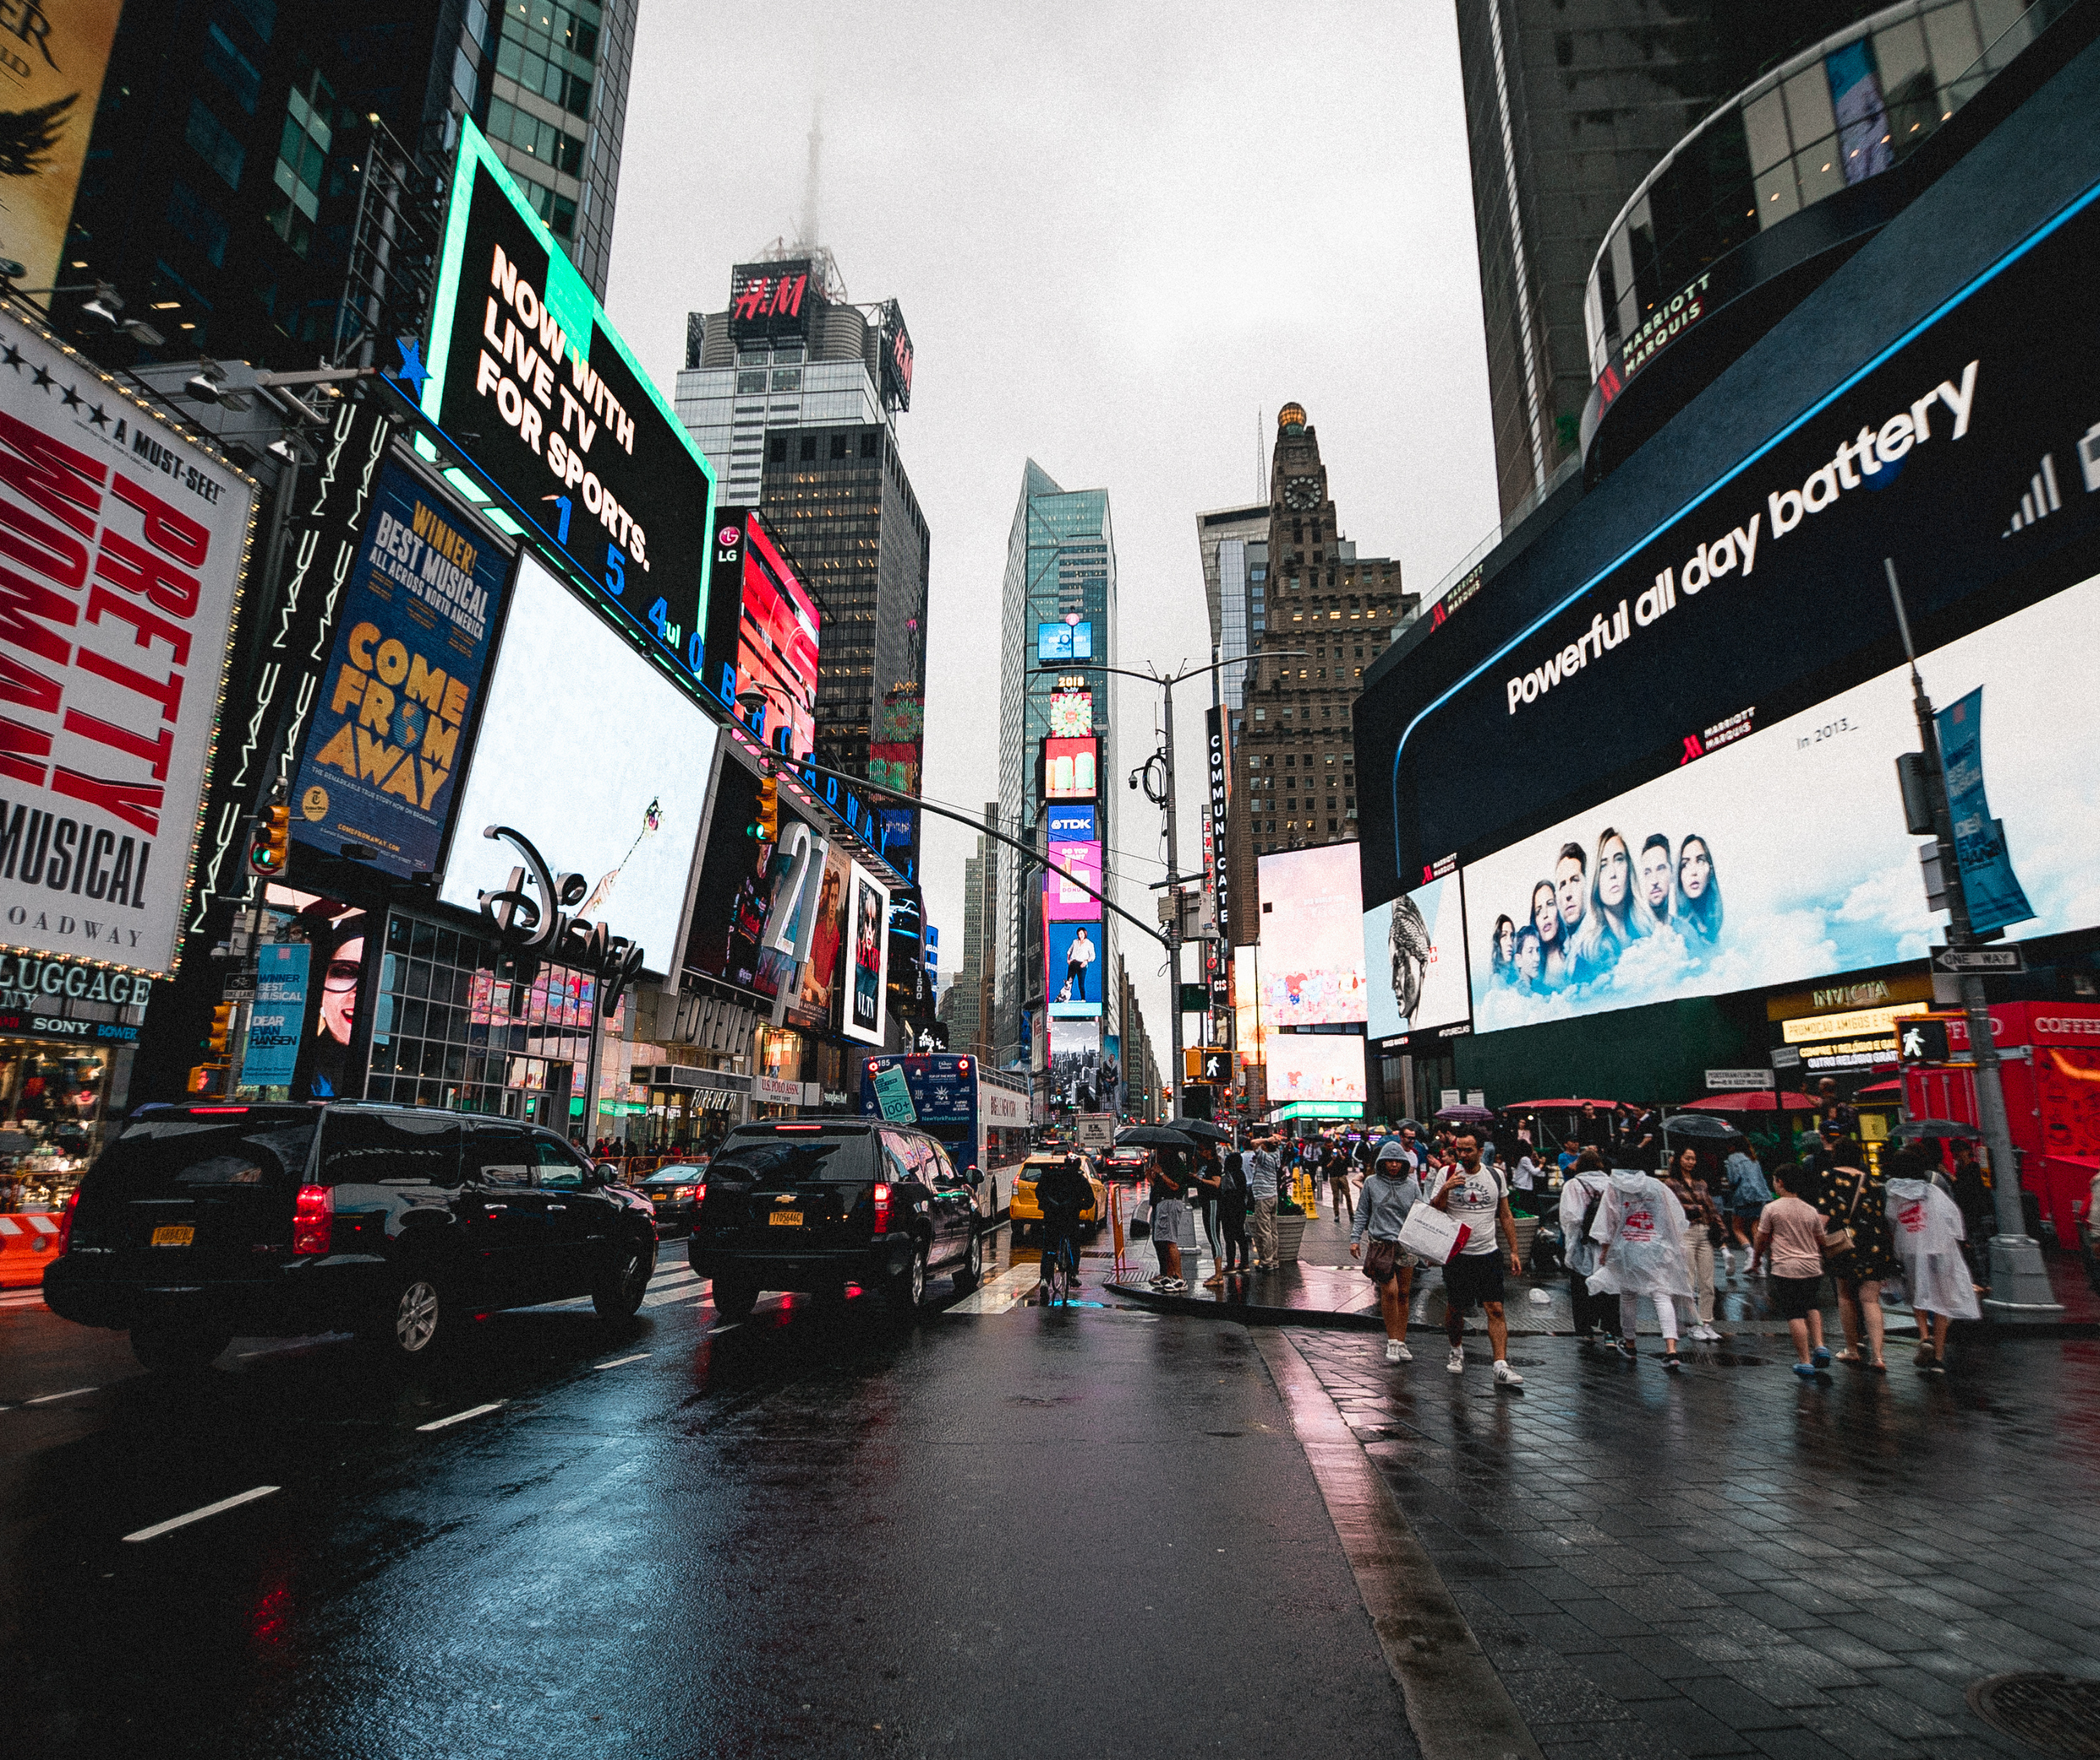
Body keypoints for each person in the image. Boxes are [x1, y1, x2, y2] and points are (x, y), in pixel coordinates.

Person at [1427, 1129, 1525, 1387]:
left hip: (1488, 1253)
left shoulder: (1495, 1175)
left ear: (1481, 1151)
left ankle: (1500, 1364)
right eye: (1460, 1149)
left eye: (1469, 1150)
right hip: (1458, 1255)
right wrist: (1446, 1189)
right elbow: (1434, 1210)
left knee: (1495, 1308)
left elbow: (1505, 1215)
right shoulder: (1446, 1173)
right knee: (1456, 1308)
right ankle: (1456, 1348)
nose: (1463, 1155)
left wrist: (1514, 1250)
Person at [1586, 1155, 1695, 1370]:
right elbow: (1671, 1217)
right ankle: (1671, 1349)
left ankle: (1630, 1344)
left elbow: (1609, 1221)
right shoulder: (1656, 1186)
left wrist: (1605, 1250)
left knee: (1628, 1295)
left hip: (1627, 1248)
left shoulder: (1614, 1187)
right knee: (1662, 1295)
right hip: (1656, 1247)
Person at [1886, 1142, 1981, 1372]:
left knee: (1918, 1294)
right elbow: (1953, 1217)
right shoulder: (1935, 1190)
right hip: (1940, 1248)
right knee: (1941, 1300)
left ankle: (1924, 1335)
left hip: (1909, 1249)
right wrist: (1960, 1240)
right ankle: (1938, 1357)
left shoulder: (1894, 1194)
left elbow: (1891, 1220)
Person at [1816, 1137, 1893, 1372]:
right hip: (1873, 1242)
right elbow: (1881, 1214)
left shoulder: (1829, 1177)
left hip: (1845, 1244)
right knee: (1870, 1299)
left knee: (1846, 1295)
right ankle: (1878, 1356)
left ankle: (1852, 1349)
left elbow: (1824, 1216)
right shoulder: (1870, 1180)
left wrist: (1818, 1242)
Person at [1752, 1163, 1833, 1380]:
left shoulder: (1772, 1209)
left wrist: (1756, 1259)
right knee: (1812, 1306)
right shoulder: (1810, 1210)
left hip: (1786, 1267)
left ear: (1780, 1182)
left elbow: (1762, 1238)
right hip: (1812, 1267)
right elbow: (1822, 1240)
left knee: (1795, 1313)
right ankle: (1820, 1346)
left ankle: (1805, 1361)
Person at [1351, 1139, 1424, 1363]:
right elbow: (1362, 1212)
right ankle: (1392, 1341)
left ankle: (1401, 1341)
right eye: (1389, 1161)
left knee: (1404, 1294)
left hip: (1406, 1245)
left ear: (1404, 1163)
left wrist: (1427, 1247)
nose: (1393, 1165)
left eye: (1397, 1161)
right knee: (1389, 1291)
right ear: (1382, 1162)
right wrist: (1355, 1239)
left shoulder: (1412, 1186)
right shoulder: (1372, 1183)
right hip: (1381, 1244)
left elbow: (1421, 1214)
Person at [1661, 1145, 1723, 1341]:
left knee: (1707, 1281)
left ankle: (1706, 1322)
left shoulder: (1701, 1183)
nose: (1691, 1162)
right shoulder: (1670, 1184)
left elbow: (1711, 1208)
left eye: (1694, 1159)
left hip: (1704, 1231)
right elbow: (1671, 1209)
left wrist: (1721, 1230)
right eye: (1687, 1158)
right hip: (1685, 1232)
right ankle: (1692, 1324)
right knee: (1688, 1280)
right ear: (1679, 1159)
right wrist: (1692, 1208)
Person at [1573, 827, 1653, 973]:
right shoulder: (1588, 955)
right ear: (1595, 879)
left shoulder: (1651, 933)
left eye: (1619, 860)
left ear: (1629, 869)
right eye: (1603, 865)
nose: (1613, 873)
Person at [1560, 1150, 1616, 1346]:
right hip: (1608, 1244)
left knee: (1581, 1286)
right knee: (1609, 1286)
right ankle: (1610, 1331)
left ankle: (1586, 1330)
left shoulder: (1574, 1185)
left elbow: (1570, 1217)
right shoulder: (1611, 1184)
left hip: (1583, 1243)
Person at [1034, 1154, 1091, 1302]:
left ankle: (1045, 1280)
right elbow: (1090, 1200)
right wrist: (1079, 1206)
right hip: (1070, 1219)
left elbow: (1039, 1193)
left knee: (1048, 1248)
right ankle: (1073, 1274)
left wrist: (1048, 1206)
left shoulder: (1052, 1175)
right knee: (1074, 1245)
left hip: (1052, 1218)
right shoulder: (1080, 1179)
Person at [1722, 1138, 1773, 1266]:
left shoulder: (1733, 1159)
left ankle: (1751, 1253)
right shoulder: (1752, 1158)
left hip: (1743, 1197)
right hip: (1761, 1197)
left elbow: (1734, 1180)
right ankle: (1759, 1258)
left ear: (1732, 1147)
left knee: (1737, 1228)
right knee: (1755, 1228)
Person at [1147, 1150, 1189, 1293]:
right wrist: (1152, 1178)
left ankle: (1179, 1277)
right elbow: (1159, 1187)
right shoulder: (1164, 1164)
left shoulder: (1176, 1165)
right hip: (1162, 1203)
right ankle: (1170, 1275)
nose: (1158, 1153)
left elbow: (1175, 1186)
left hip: (1171, 1203)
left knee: (1171, 1241)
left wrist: (1161, 1173)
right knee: (1164, 1240)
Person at [1674, 834, 1723, 943]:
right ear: (1679, 876)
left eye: (1700, 861)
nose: (1694, 872)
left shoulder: (1718, 927)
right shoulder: (1677, 935)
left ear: (1710, 870)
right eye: (1685, 864)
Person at [1246, 1130, 1282, 1270]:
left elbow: (1253, 1143)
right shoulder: (1276, 1155)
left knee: (1265, 1231)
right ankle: (1274, 1260)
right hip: (1273, 1196)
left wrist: (1266, 1139)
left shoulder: (1264, 1158)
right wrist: (1273, 1141)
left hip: (1263, 1197)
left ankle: (1267, 1262)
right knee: (1273, 1231)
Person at [1553, 843, 1590, 981]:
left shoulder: (1596, 946)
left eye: (1575, 880)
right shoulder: (1565, 950)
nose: (1568, 894)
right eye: (1562, 885)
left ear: (1586, 885)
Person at [1193, 1140, 1227, 1287]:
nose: (1200, 1152)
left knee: (1214, 1237)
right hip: (1206, 1203)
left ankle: (1219, 1275)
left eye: (1202, 1149)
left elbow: (1217, 1183)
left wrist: (1200, 1179)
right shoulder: (1205, 1163)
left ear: (1209, 1151)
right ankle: (1217, 1272)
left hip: (1213, 1202)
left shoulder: (1215, 1165)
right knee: (1210, 1235)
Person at [1216, 1141, 1252, 1276]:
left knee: (1229, 1238)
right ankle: (1244, 1263)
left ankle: (1231, 1264)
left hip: (1228, 1209)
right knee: (1241, 1236)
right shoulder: (1241, 1174)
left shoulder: (1228, 1176)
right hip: (1240, 1208)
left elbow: (1223, 1192)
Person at [1530, 880, 1570, 990]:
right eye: (1538, 911)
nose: (1545, 915)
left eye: (1550, 904)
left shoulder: (1575, 961)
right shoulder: (1534, 976)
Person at [1637, 833, 1673, 930]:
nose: (1654, 881)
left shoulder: (1687, 933)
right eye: (1647, 873)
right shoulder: (1632, 934)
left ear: (1672, 873)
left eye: (1660, 869)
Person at [1323, 1133, 1353, 1224]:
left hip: (1342, 1175)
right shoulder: (1325, 1154)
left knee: (1347, 1195)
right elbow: (1326, 1167)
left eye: (1332, 1146)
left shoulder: (1338, 1152)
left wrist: (1341, 1156)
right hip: (1333, 1176)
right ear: (1326, 1146)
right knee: (1335, 1197)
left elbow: (1346, 1161)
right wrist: (1333, 1159)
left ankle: (1351, 1214)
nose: (1331, 1148)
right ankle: (1336, 1215)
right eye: (1329, 1146)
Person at [1489, 913, 1518, 988]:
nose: (1510, 942)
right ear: (1498, 941)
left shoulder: (1516, 974)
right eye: (1504, 935)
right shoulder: (1497, 980)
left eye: (1512, 936)